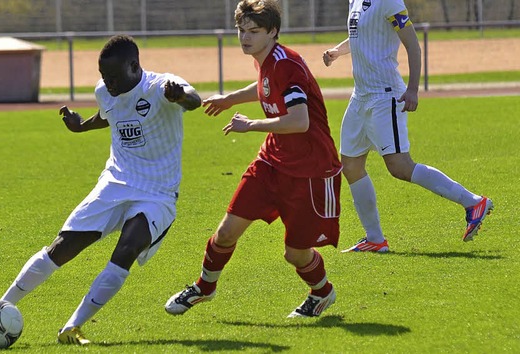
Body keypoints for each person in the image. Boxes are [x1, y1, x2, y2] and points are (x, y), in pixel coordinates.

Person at [0, 34, 201, 346]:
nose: (108, 83)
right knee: (62, 247)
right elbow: (109, 115)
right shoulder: (105, 91)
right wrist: (81, 127)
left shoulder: (162, 87)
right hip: (115, 183)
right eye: (104, 76)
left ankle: (72, 327)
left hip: (157, 193)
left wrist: (180, 97)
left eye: (114, 76)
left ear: (134, 66)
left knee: (126, 250)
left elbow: (194, 100)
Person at [165, 0, 342, 318]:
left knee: (296, 254)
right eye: (241, 30)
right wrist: (230, 98)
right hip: (272, 160)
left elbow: (299, 121)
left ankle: (322, 292)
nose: (245, 37)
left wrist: (251, 125)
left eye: (254, 31)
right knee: (226, 231)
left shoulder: (287, 64)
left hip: (310, 169)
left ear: (273, 32)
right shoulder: (267, 59)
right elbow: (264, 87)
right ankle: (204, 287)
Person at [322, 0, 493, 253]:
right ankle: (375, 239)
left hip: (385, 95)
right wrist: (338, 51)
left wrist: (413, 88)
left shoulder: (389, 1)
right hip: (360, 97)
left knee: (400, 166)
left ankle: (473, 202)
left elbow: (412, 44)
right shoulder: (355, 1)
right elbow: (360, 37)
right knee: (350, 165)